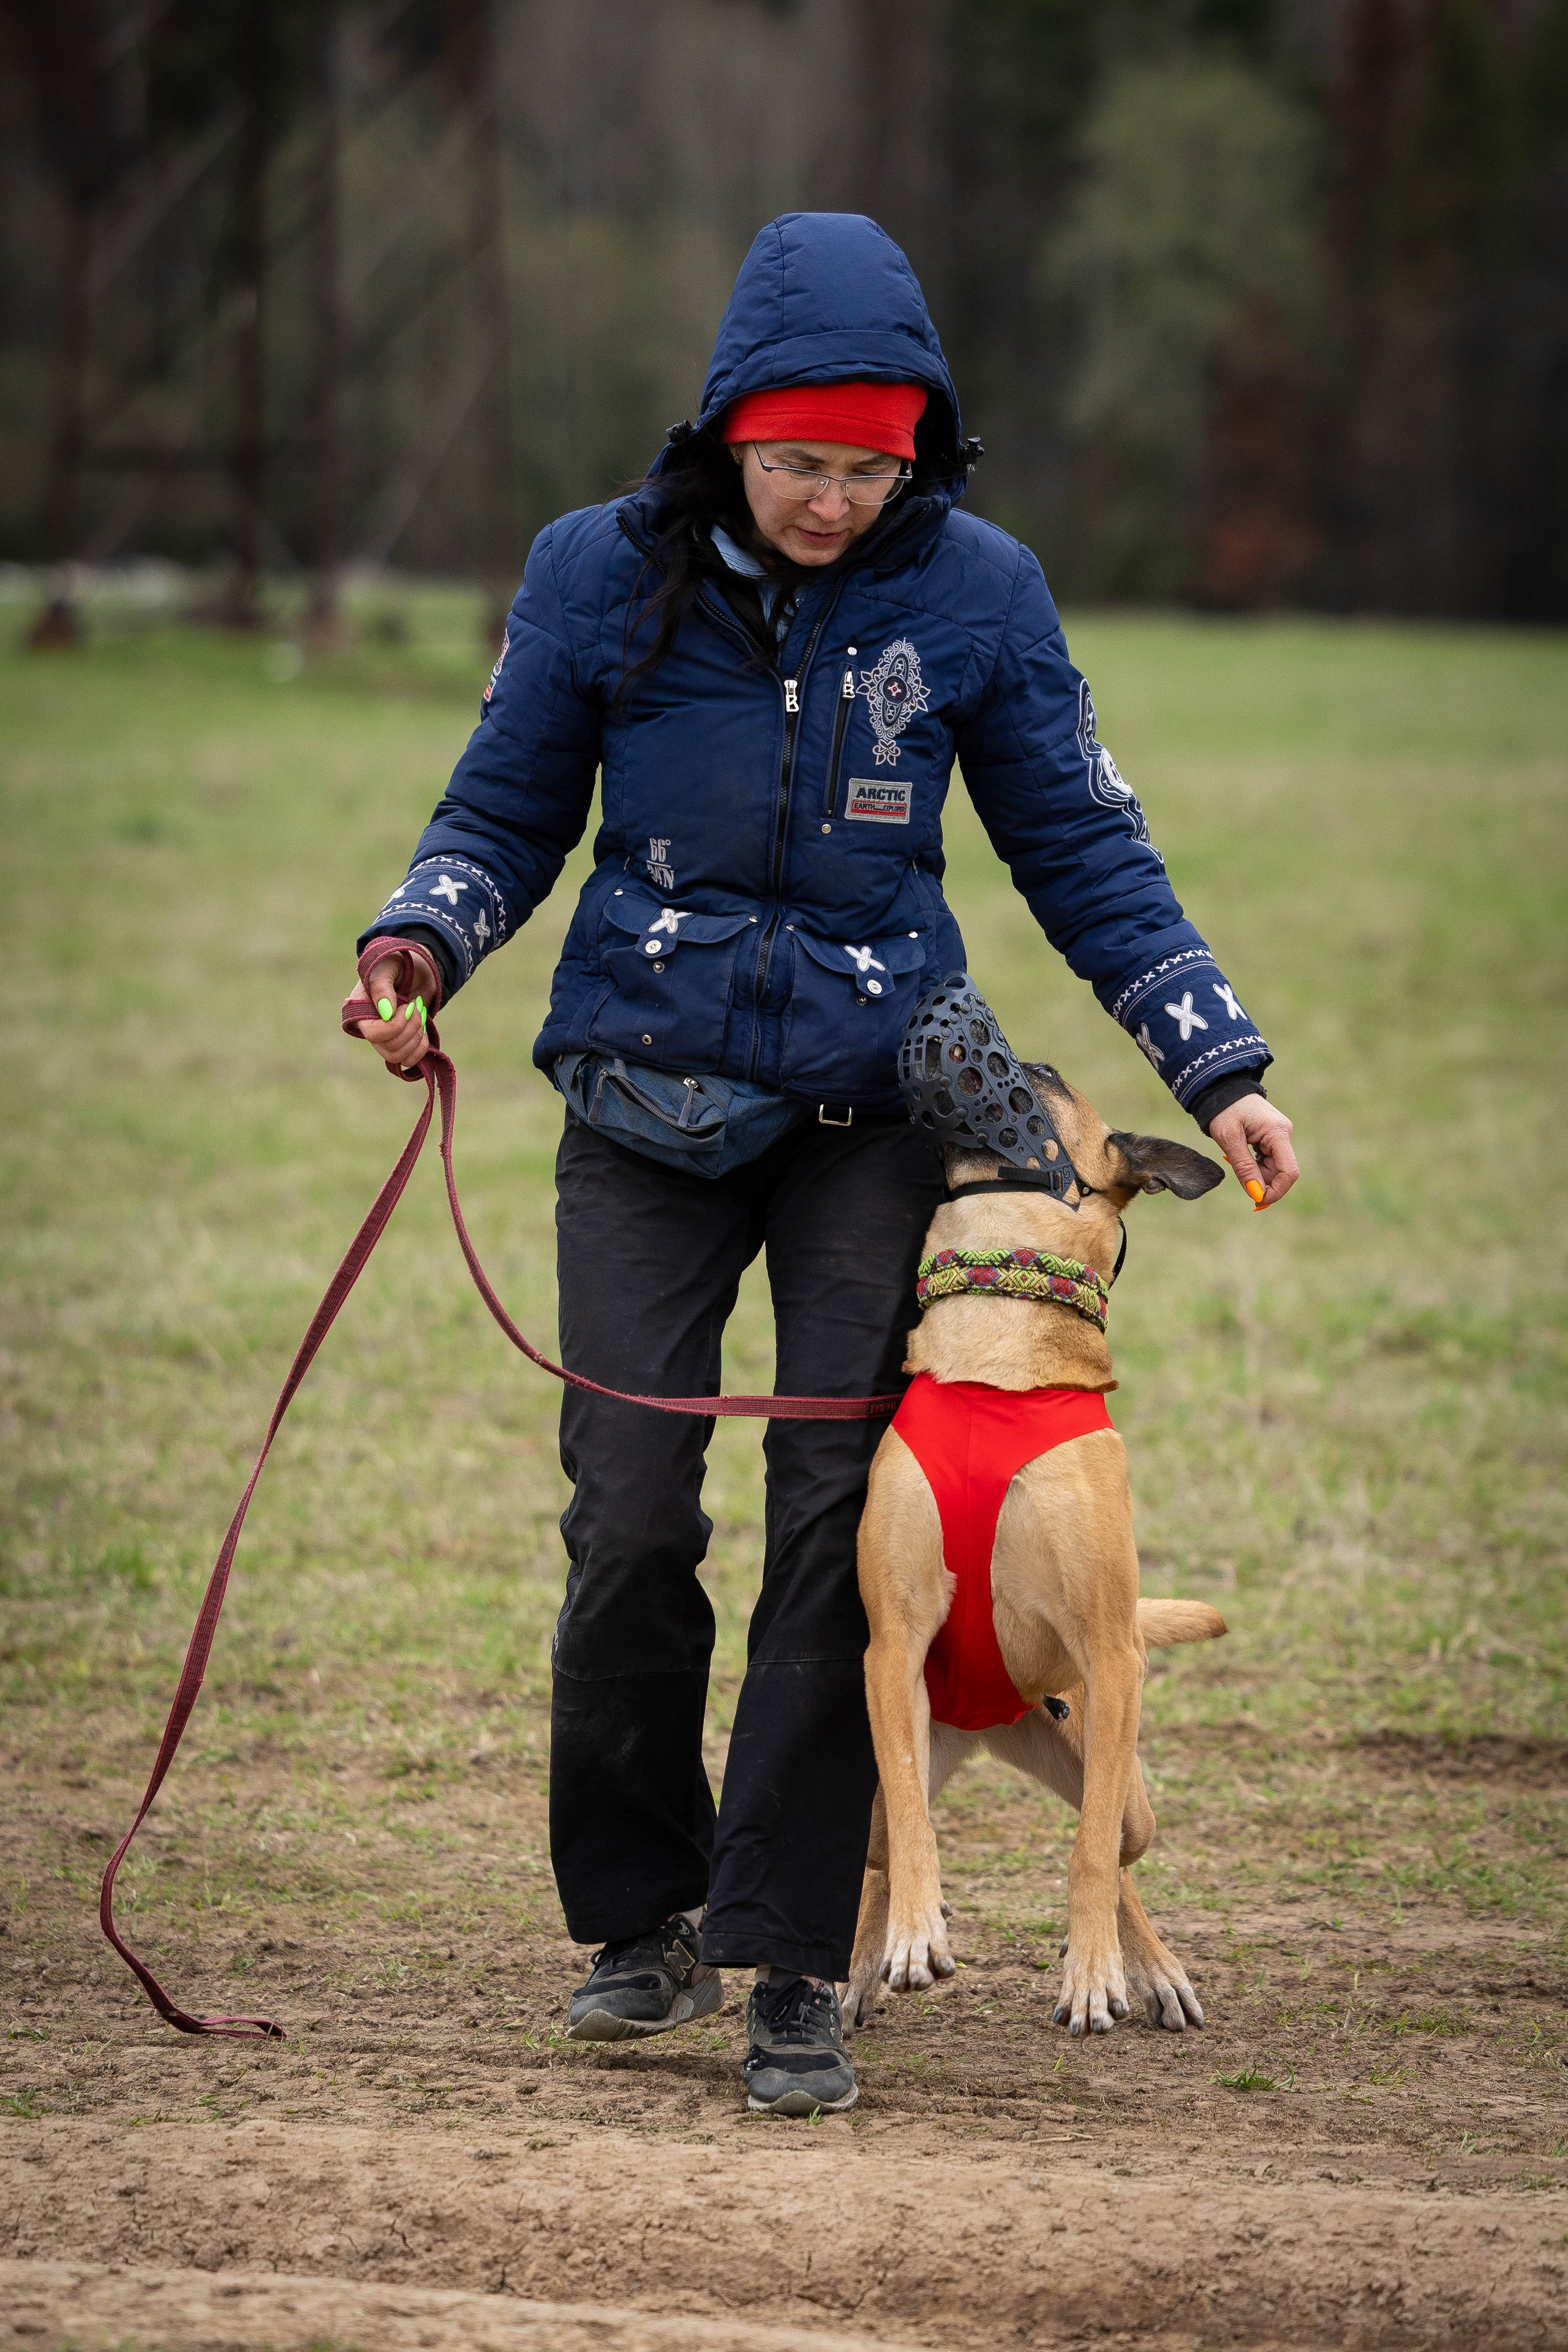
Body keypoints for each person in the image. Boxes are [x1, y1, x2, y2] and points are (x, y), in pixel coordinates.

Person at [347, 211, 1297, 2117]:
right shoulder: (593, 578)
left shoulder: (979, 593)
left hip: (872, 1127)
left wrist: (1217, 1064)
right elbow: (509, 802)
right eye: (798, 462)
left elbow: (1085, 851)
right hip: (640, 1106)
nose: (832, 501)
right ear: (724, 436)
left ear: (920, 455)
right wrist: (422, 938)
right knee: (627, 1521)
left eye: (871, 468)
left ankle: (793, 1952)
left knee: (830, 1529)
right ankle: (640, 1918)